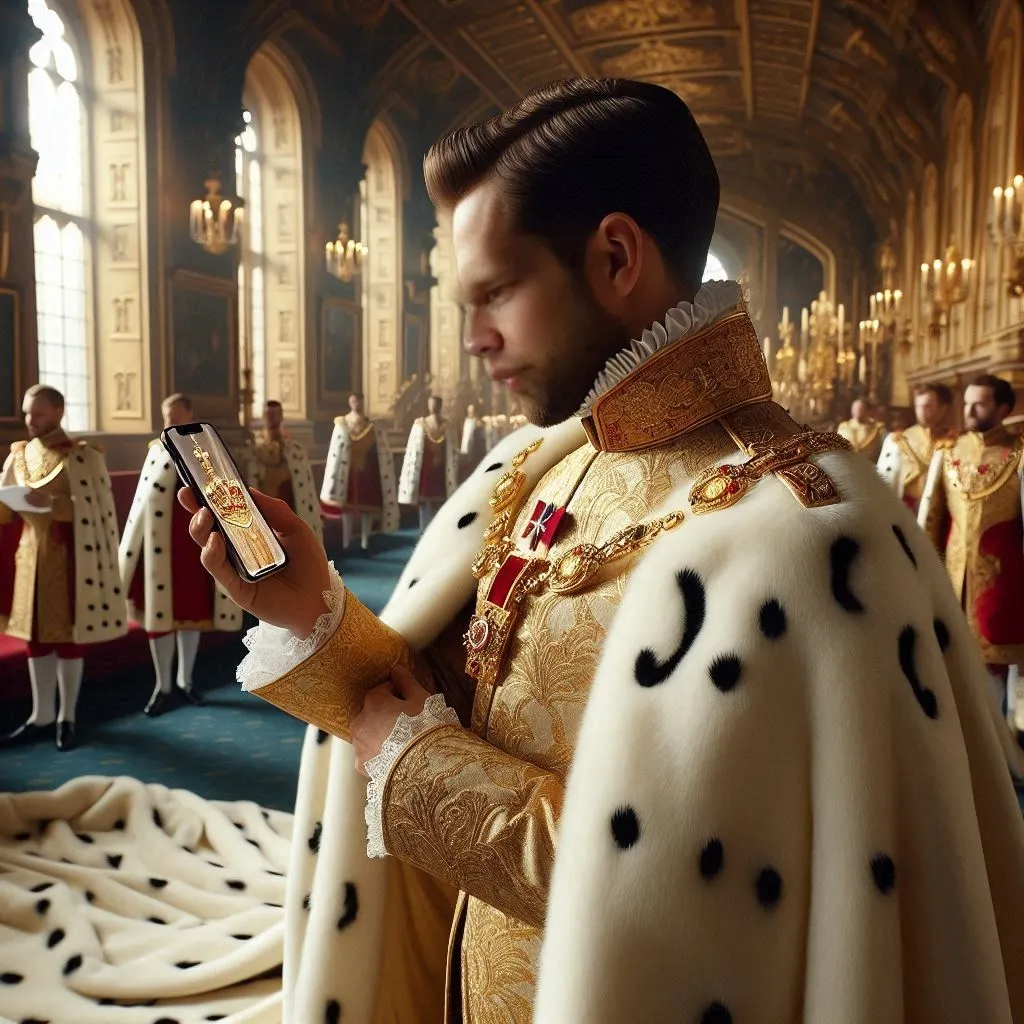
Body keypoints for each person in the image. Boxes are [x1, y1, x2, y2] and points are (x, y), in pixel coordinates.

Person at [180, 79, 1024, 1023]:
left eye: (497, 292)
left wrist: (418, 770)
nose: (474, 340)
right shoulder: (540, 464)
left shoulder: (805, 533)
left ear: (617, 256)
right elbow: (424, 709)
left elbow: (694, 915)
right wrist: (308, 612)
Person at [0, 385, 126, 750]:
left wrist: (53, 506)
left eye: (37, 413)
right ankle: (40, 715)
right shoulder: (18, 456)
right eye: (26, 413)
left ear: (58, 412)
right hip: (29, 555)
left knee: (68, 637)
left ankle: (66, 716)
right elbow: (5, 511)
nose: (30, 420)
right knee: (35, 637)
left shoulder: (83, 457)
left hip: (71, 557)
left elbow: (100, 513)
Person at [118, 394, 242, 716]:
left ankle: (186, 681)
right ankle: (163, 685)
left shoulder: (205, 447)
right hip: (158, 547)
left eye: (176, 417)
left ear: (190, 415)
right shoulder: (155, 451)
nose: (170, 424)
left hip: (192, 544)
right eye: (166, 418)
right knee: (158, 617)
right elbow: (142, 502)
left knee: (192, 614)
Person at [918, 373, 1024, 741]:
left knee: (998, 667)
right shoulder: (947, 453)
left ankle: (1004, 745)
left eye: (979, 403)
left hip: (1004, 581)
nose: (969, 410)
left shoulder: (1019, 454)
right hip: (950, 577)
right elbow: (929, 521)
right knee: (949, 662)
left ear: (1003, 408)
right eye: (967, 403)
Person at [320, 392, 399, 550]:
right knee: (347, 509)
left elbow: (378, 449)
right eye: (354, 401)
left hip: (365, 471)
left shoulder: (371, 424)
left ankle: (364, 540)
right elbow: (335, 450)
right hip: (346, 472)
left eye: (359, 401)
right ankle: (346, 541)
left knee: (366, 509)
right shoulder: (342, 423)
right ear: (350, 402)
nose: (356, 404)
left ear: (363, 402)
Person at [247, 399, 323, 545]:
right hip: (267, 508)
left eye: (275, 415)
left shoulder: (296, 451)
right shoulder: (254, 452)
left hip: (292, 508)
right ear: (263, 417)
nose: (272, 419)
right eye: (268, 415)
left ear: (281, 416)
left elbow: (307, 492)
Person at [876, 381, 956, 515]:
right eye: (918, 406)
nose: (921, 411)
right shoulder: (898, 441)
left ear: (943, 408)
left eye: (928, 406)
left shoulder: (956, 442)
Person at [397, 394, 458, 531]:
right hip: (425, 468)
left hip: (441, 468)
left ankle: (438, 530)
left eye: (436, 404)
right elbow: (414, 447)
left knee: (440, 501)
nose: (433, 407)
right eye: (431, 404)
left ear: (440, 406)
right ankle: (424, 530)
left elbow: (452, 448)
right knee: (424, 502)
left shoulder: (447, 425)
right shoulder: (420, 424)